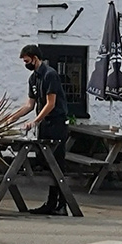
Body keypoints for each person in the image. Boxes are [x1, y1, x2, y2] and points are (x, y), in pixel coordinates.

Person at [14, 44, 72, 215]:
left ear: (35, 58)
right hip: (45, 124)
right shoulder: (33, 78)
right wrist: (12, 118)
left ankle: (61, 205)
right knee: (47, 163)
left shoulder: (50, 75)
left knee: (57, 163)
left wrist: (35, 122)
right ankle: (51, 202)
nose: (26, 64)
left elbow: (51, 103)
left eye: (27, 61)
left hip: (57, 123)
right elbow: (30, 104)